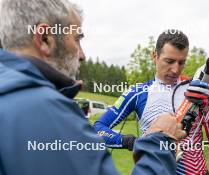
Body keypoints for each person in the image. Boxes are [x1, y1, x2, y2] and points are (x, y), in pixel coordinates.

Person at [0, 0, 187, 175]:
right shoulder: (47, 111)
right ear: (45, 39)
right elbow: (100, 127)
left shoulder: (12, 96)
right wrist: (153, 144)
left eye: (182, 62)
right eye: (77, 39)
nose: (82, 55)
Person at [94, 30, 209, 175]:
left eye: (181, 62)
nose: (175, 69)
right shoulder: (138, 92)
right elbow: (98, 129)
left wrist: (208, 107)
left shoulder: (196, 88)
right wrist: (132, 142)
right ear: (155, 56)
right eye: (169, 61)